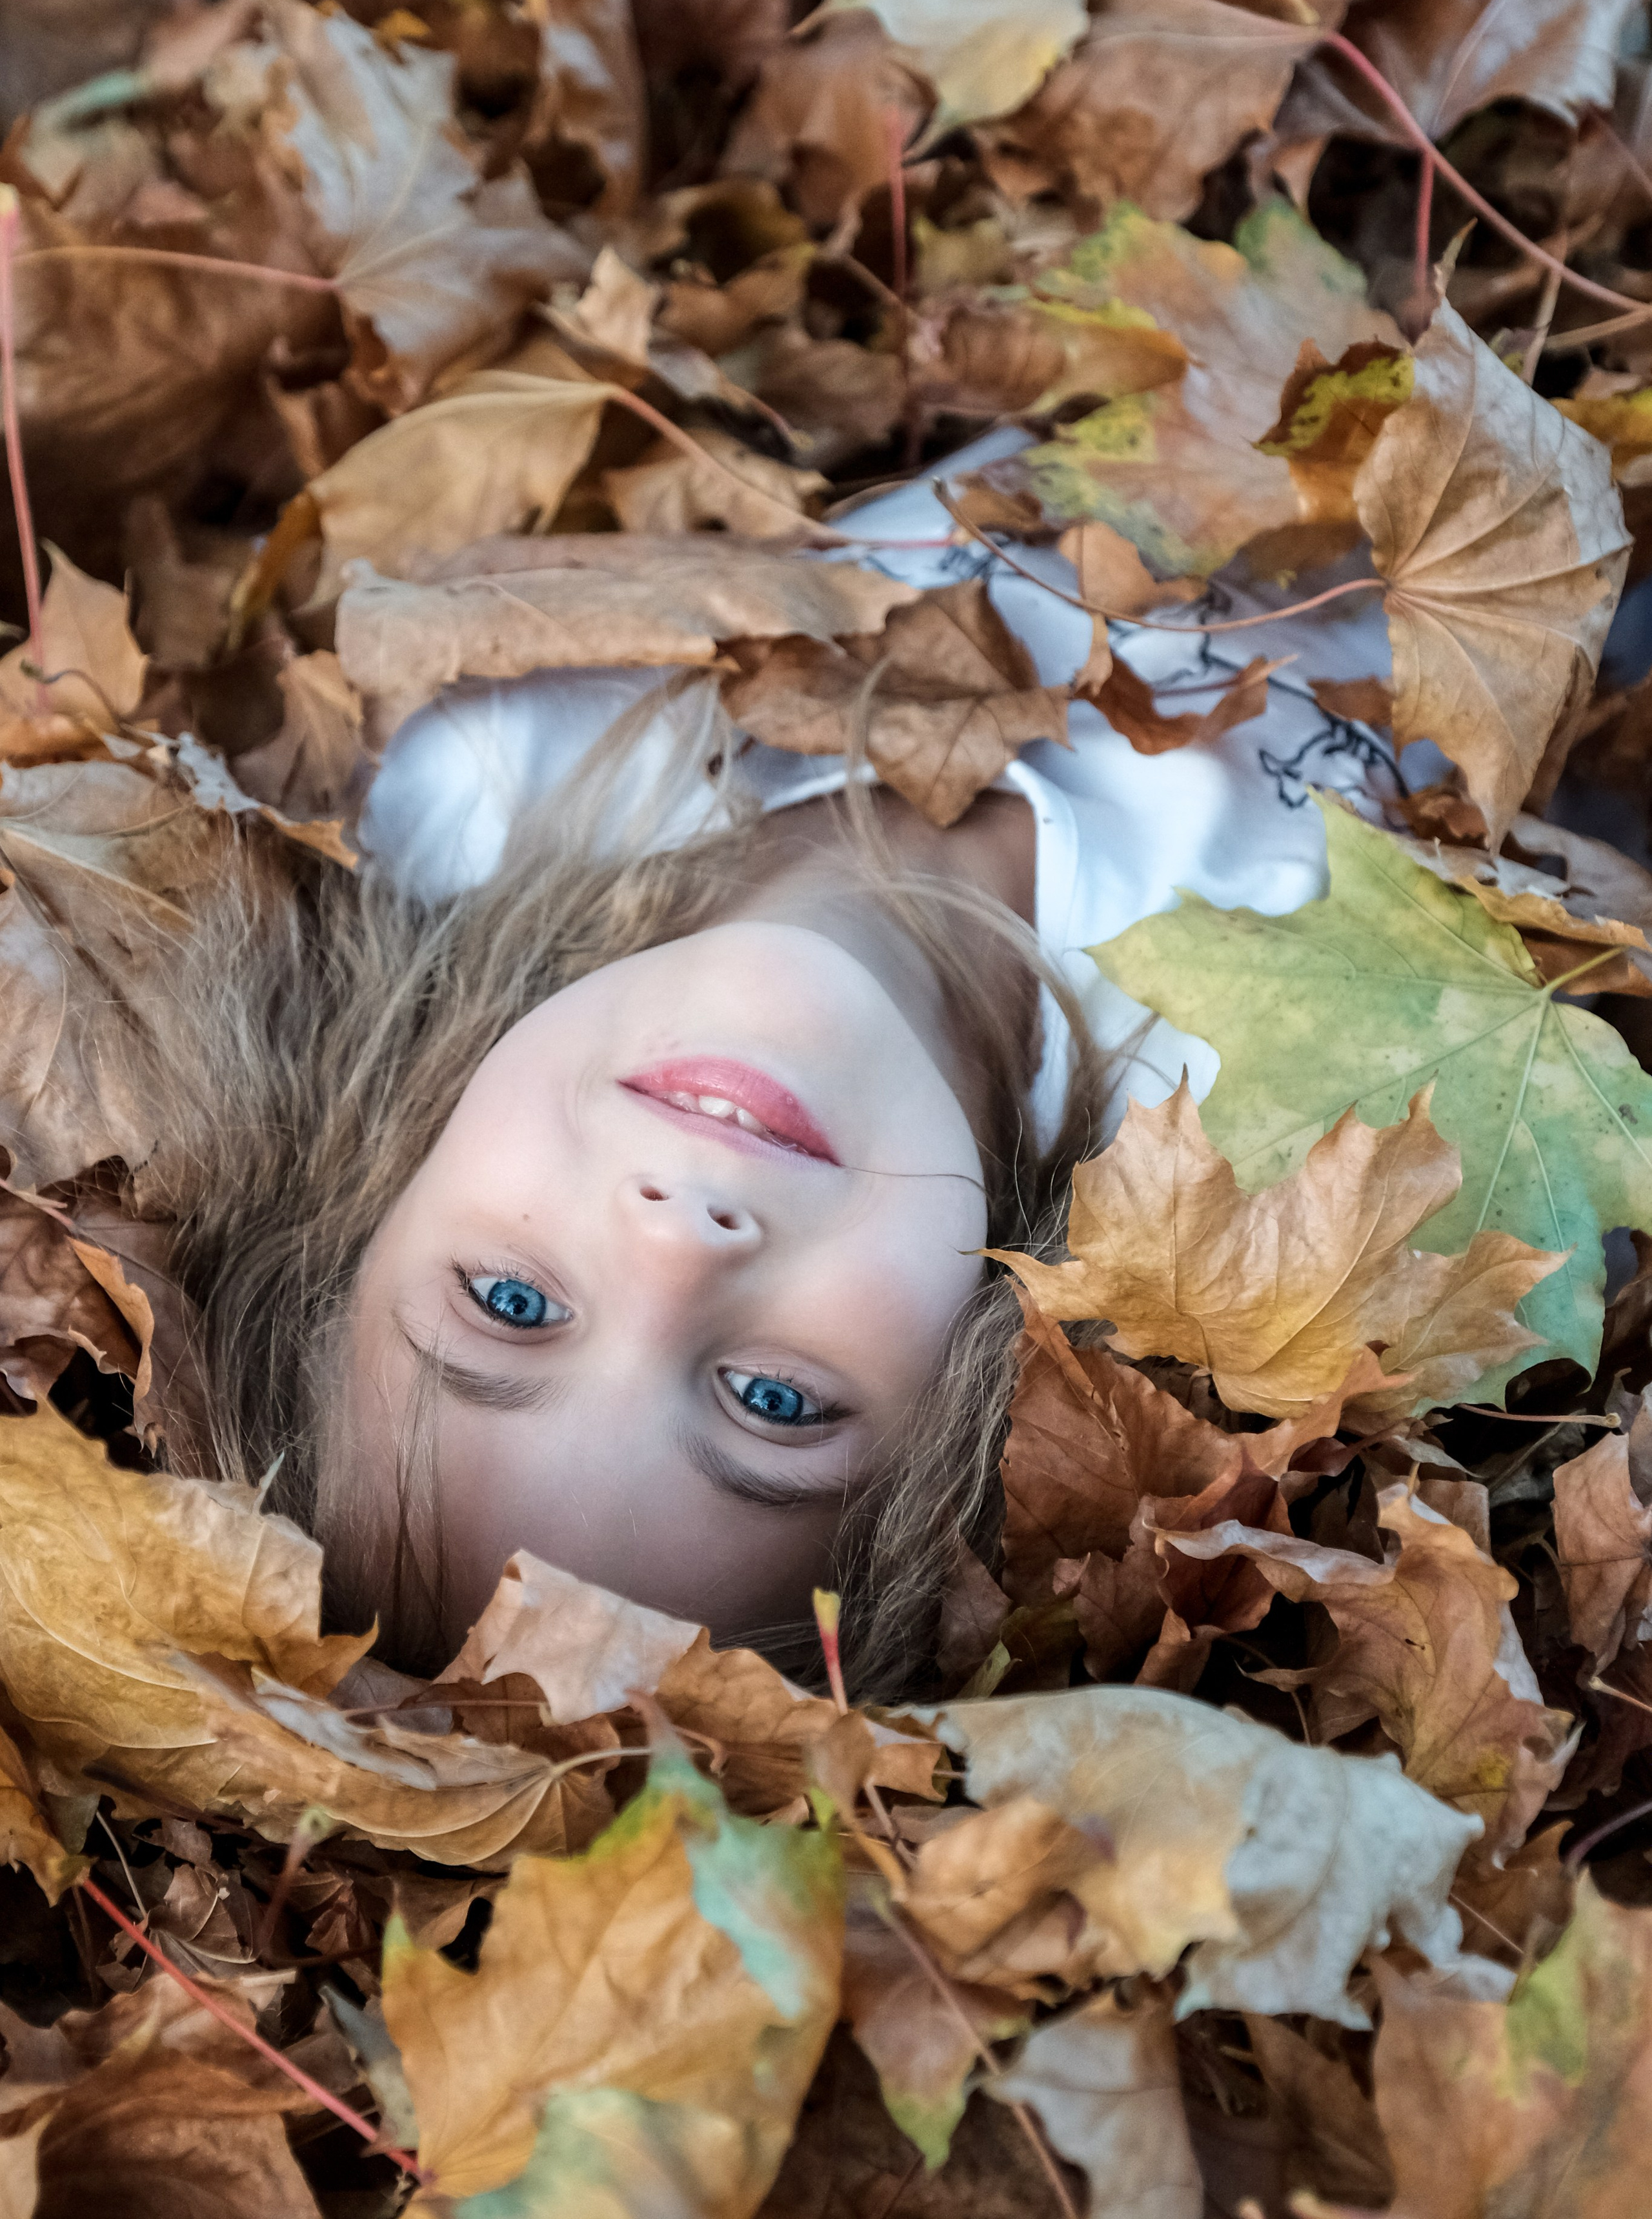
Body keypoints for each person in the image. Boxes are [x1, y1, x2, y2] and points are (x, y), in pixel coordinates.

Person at [151, 430, 1439, 1698]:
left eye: (511, 1303)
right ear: (980, 1405)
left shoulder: (475, 751)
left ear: (368, 1186)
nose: (677, 1240)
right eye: (772, 1397)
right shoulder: (1270, 1090)